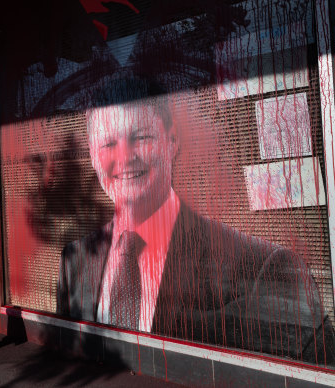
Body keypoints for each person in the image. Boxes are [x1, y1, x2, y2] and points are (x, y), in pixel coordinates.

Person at [56, 78, 335, 364]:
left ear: (172, 140)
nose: (125, 157)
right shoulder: (74, 261)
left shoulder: (266, 266)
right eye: (108, 143)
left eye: (141, 137)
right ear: (92, 156)